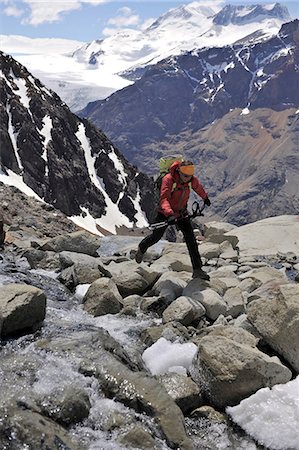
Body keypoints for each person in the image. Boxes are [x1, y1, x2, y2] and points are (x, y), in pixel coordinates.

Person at [135, 160, 211, 280]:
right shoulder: (168, 179)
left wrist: (205, 197)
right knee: (156, 236)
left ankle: (197, 269)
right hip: (165, 213)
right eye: (186, 176)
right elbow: (164, 198)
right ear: (179, 172)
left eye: (190, 175)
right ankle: (142, 247)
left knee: (190, 239)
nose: (188, 178)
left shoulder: (191, 180)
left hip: (181, 213)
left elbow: (198, 187)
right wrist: (169, 214)